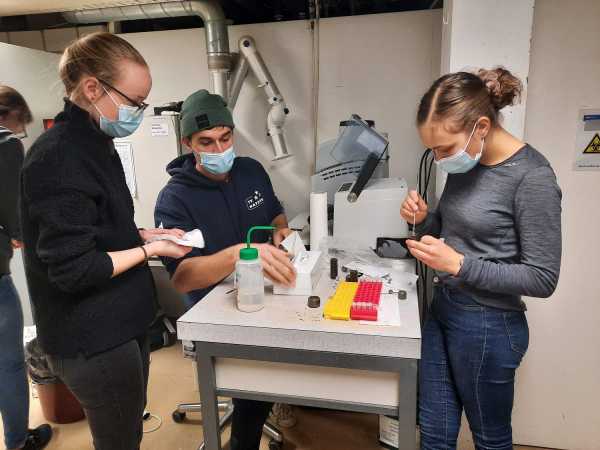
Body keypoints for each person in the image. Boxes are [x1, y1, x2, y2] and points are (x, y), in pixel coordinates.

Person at [19, 32, 191, 450]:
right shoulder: (57, 157)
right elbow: (74, 268)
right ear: (93, 88)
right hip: (91, 336)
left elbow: (97, 228)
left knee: (128, 425)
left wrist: (145, 234)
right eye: (134, 103)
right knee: (118, 440)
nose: (138, 113)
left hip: (124, 321)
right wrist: (151, 251)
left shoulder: (98, 143)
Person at [401, 67, 562, 450]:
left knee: (489, 439)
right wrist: (424, 218)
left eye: (444, 149)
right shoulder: (467, 161)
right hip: (444, 310)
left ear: (482, 126)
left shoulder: (532, 177)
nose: (439, 159)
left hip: (489, 326)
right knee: (434, 434)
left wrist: (460, 265)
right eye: (433, 150)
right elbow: (449, 227)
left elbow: (543, 278)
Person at [154, 89, 297, 449]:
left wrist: (281, 228)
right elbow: (182, 276)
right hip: (215, 309)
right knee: (260, 371)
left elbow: (273, 210)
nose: (220, 150)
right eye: (207, 142)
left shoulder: (251, 170)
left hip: (264, 293)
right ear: (188, 143)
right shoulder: (175, 199)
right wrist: (238, 254)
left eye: (225, 138)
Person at [0, 86, 53, 450]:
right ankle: (18, 441)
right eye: (21, 126)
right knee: (10, 363)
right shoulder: (5, 145)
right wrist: (20, 235)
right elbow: (15, 212)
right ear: (9, 114)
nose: (21, 134)